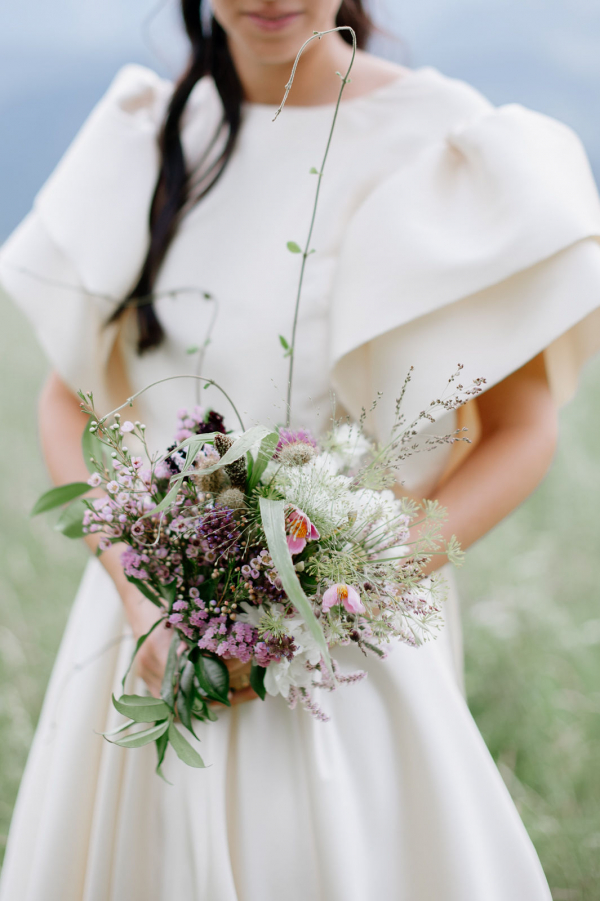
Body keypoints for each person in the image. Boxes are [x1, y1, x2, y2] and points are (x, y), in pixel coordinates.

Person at [1, 1, 600, 898]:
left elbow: (522, 430)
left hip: (354, 659)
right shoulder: (144, 141)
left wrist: (342, 591)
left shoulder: (444, 142)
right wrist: (137, 592)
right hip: (149, 641)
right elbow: (66, 405)